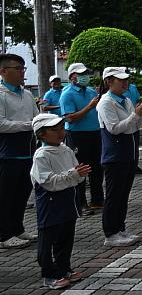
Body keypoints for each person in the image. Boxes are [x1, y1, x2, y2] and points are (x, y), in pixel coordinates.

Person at [97, 67, 142, 247]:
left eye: (125, 79)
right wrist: (135, 115)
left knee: (123, 194)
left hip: (128, 153)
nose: (124, 82)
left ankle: (120, 228)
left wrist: (141, 114)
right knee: (114, 195)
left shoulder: (126, 100)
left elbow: (134, 127)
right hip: (114, 155)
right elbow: (114, 128)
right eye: (119, 79)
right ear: (108, 81)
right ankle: (110, 233)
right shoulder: (105, 102)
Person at [29, 113, 89, 289]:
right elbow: (48, 182)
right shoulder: (41, 155)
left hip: (68, 199)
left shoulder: (66, 150)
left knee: (66, 236)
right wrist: (73, 175)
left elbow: (77, 174)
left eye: (61, 128)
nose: (60, 133)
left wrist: (78, 175)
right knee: (48, 237)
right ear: (42, 134)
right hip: (50, 201)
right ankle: (48, 273)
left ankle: (63, 267)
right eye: (54, 130)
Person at [0, 53, 40, 249]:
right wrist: (29, 125)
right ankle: (4, 234)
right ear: (4, 71)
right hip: (7, 153)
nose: (22, 72)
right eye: (18, 68)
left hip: (27, 151)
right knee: (5, 196)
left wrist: (35, 125)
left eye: (23, 68)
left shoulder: (25, 94)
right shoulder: (0, 94)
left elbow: (37, 118)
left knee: (22, 194)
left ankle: (17, 228)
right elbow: (2, 125)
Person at [59, 62, 103, 215]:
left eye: (86, 74)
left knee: (97, 168)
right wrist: (89, 107)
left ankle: (97, 200)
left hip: (95, 133)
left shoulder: (91, 92)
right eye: (81, 74)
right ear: (72, 77)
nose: (85, 77)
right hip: (77, 135)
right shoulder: (67, 94)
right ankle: (81, 203)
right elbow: (69, 118)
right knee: (80, 169)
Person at [122, 76, 142, 175]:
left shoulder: (132, 87)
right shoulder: (107, 100)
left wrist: (141, 107)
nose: (125, 81)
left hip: (135, 117)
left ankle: (134, 165)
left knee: (135, 145)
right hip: (126, 118)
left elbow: (137, 100)